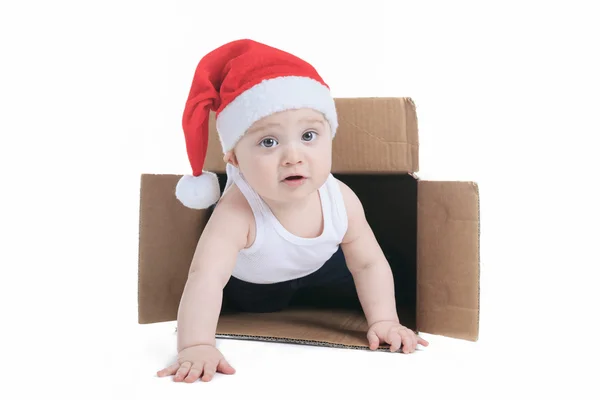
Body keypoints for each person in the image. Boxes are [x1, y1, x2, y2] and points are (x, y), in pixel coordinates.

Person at [156, 39, 429, 383]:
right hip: (255, 288)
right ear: (235, 160)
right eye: (268, 142)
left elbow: (367, 261)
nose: (293, 156)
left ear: (331, 136)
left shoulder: (340, 199)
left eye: (309, 135)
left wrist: (384, 320)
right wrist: (195, 345)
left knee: (394, 270)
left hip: (323, 269)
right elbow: (206, 278)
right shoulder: (237, 213)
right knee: (244, 302)